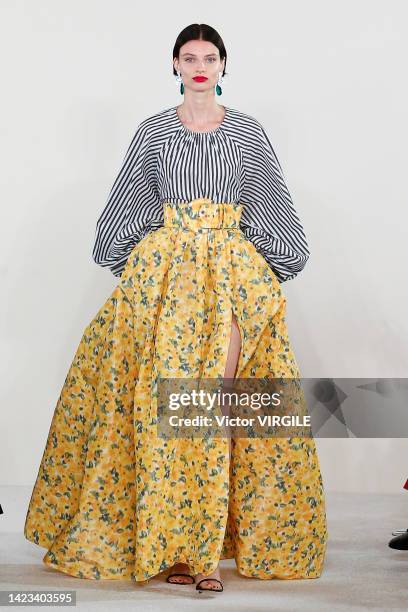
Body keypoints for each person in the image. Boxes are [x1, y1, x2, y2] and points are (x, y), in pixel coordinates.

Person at [24, 23, 328, 593]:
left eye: (209, 57)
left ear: (222, 65)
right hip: (166, 284)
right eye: (189, 57)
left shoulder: (246, 132)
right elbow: (127, 205)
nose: (199, 66)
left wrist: (268, 272)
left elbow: (271, 203)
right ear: (173, 64)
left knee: (212, 408)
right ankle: (179, 553)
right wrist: (137, 269)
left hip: (229, 279)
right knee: (168, 415)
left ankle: (208, 557)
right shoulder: (155, 133)